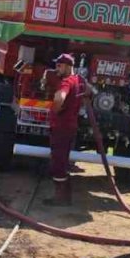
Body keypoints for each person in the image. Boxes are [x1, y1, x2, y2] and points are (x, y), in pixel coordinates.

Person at [43, 54, 85, 206]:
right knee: (62, 160)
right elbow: (89, 93)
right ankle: (66, 196)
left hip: (61, 127)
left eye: (59, 66)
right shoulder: (79, 80)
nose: (57, 69)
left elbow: (60, 97)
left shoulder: (66, 82)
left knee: (58, 163)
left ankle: (60, 197)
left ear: (68, 66)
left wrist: (55, 109)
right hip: (70, 126)